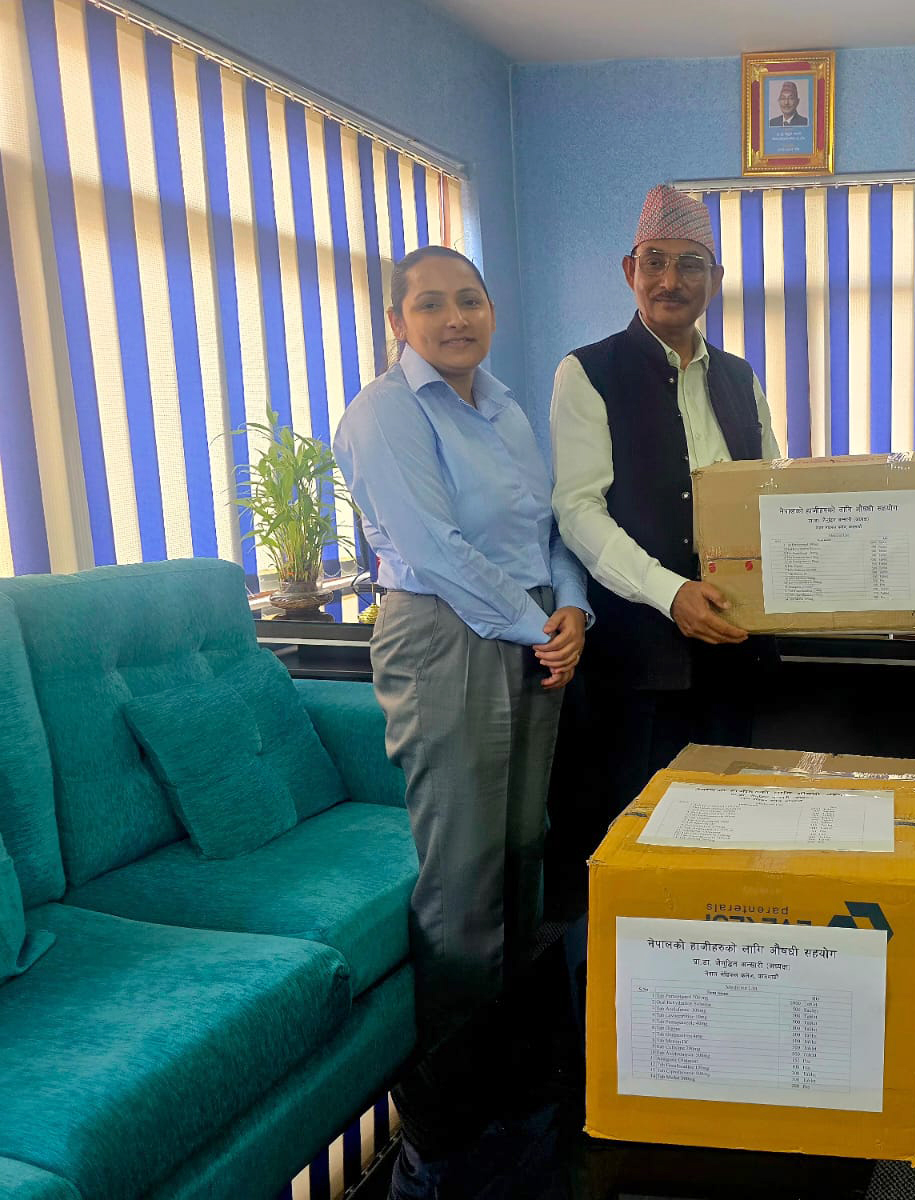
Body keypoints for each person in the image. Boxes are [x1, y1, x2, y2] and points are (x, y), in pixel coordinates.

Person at [332, 245, 592, 1196]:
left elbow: (548, 528)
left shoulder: (507, 407)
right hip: (445, 637)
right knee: (463, 882)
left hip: (529, 632)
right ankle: (444, 1133)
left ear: (490, 310)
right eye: (431, 304)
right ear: (397, 321)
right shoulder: (383, 413)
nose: (455, 318)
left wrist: (573, 610)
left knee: (523, 860)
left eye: (470, 300)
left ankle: (517, 1095)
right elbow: (435, 550)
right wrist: (537, 624)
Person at [551, 185, 780, 851]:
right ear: (630, 271)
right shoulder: (587, 372)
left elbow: (775, 495)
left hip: (735, 649)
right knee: (643, 842)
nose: (670, 281)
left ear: (716, 278)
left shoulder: (740, 377)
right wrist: (671, 592)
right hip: (639, 665)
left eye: (689, 264)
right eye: (654, 261)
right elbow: (577, 511)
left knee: (731, 830)